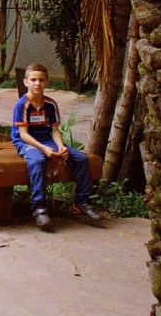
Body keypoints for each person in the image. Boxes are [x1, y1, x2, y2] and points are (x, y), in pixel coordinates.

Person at [12, 63, 103, 231]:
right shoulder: (22, 105)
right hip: (27, 142)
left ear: (46, 82)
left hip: (47, 139)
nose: (37, 83)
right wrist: (44, 149)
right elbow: (23, 134)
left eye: (41, 80)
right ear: (25, 82)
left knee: (81, 159)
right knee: (38, 161)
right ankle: (39, 208)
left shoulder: (50, 104)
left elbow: (54, 130)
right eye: (33, 80)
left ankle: (82, 202)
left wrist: (61, 147)